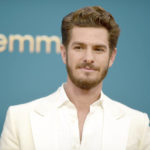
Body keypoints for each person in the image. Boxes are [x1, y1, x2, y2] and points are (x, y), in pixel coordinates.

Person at [0, 6, 150, 150]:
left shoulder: (138, 125)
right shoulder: (19, 119)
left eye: (98, 49)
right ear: (64, 53)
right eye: (79, 47)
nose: (88, 58)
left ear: (111, 57)